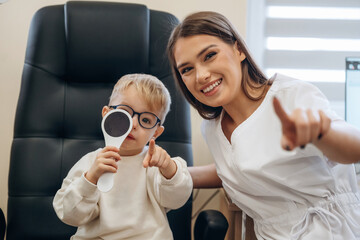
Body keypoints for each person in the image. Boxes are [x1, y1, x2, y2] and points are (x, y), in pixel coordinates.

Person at [167, 11, 360, 240]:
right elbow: (234, 168)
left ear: (238, 50)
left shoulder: (290, 97)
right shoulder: (212, 128)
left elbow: (354, 148)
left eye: (209, 55)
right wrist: (169, 171)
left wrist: (321, 134)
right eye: (187, 69)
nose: (201, 76)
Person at [53, 73, 193, 240]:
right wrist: (90, 180)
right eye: (125, 113)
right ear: (106, 114)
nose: (133, 124)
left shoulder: (157, 163)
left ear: (155, 132)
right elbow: (69, 215)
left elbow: (176, 199)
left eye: (146, 120)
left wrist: (169, 169)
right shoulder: (90, 163)